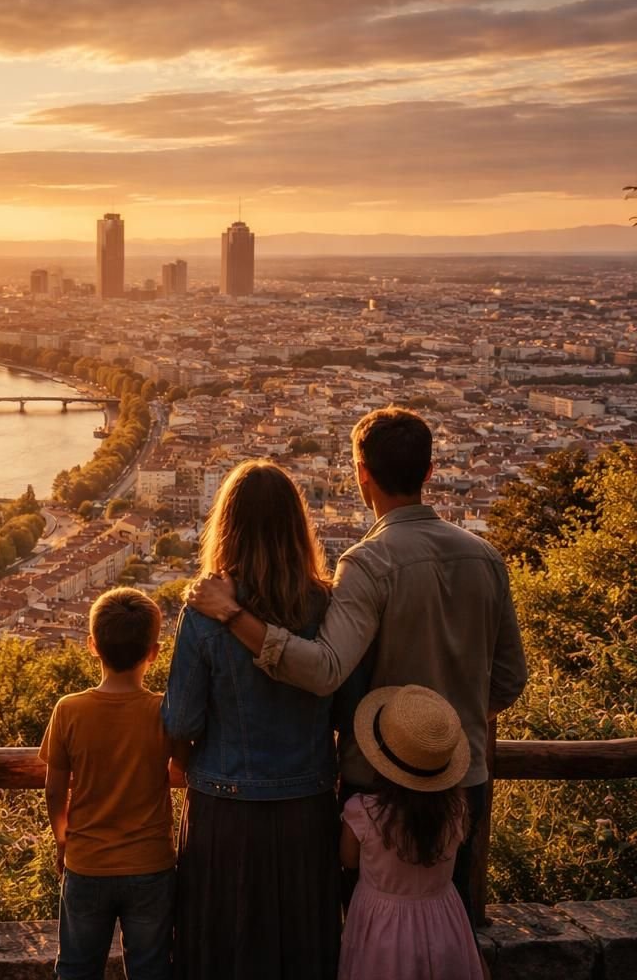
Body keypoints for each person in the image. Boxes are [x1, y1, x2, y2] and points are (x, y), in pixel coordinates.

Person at [189, 407, 528, 924]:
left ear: (360, 473)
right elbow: (509, 679)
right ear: (430, 472)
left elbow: (324, 669)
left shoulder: (370, 564)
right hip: (464, 774)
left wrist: (235, 616)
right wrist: (447, 726)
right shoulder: (485, 557)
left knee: (377, 924)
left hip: (383, 783)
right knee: (447, 918)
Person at [161, 460, 351, 980]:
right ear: (296, 525)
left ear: (227, 525)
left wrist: (180, 762)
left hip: (224, 810)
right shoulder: (324, 603)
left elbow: (181, 719)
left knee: (221, 947)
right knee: (300, 947)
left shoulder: (204, 607)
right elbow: (343, 701)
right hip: (306, 809)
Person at [40, 586, 176, 980]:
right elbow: (182, 768)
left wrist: (63, 840)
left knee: (77, 968)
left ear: (92, 646)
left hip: (88, 862)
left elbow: (54, 789)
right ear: (153, 652)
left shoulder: (69, 710)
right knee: (151, 968)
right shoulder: (162, 711)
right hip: (151, 863)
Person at [338, 685, 485, 980]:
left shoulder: (363, 812)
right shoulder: (456, 809)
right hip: (444, 920)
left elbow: (349, 861)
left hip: (381, 928)